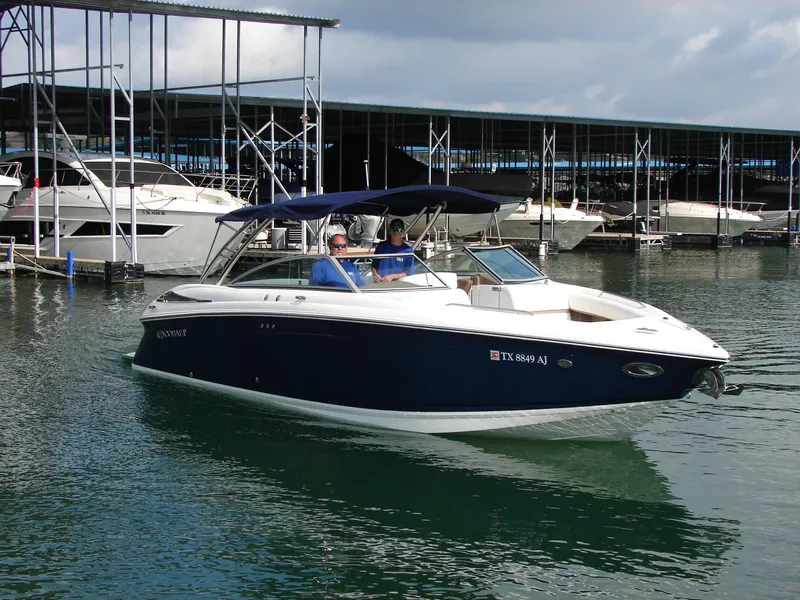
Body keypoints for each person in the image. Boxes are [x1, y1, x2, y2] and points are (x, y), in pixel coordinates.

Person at [371, 218, 415, 282]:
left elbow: (409, 272)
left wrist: (392, 276)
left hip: (397, 286)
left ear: (403, 231)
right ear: (390, 231)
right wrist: (375, 275)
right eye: (393, 229)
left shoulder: (408, 250)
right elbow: (373, 266)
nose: (395, 232)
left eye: (398, 229)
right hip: (380, 284)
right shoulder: (381, 247)